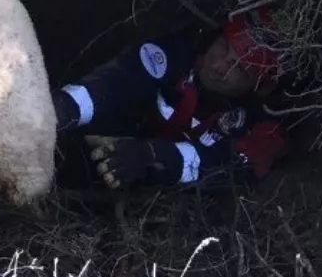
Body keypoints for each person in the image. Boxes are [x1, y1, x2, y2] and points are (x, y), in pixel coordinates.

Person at [53, 10, 290, 193]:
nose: (219, 67)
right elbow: (123, 77)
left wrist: (153, 156)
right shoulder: (184, 50)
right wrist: (66, 106)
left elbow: (228, 169)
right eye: (224, 47)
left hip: (174, 209)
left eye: (240, 68)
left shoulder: (263, 122)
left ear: (261, 84)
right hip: (121, 142)